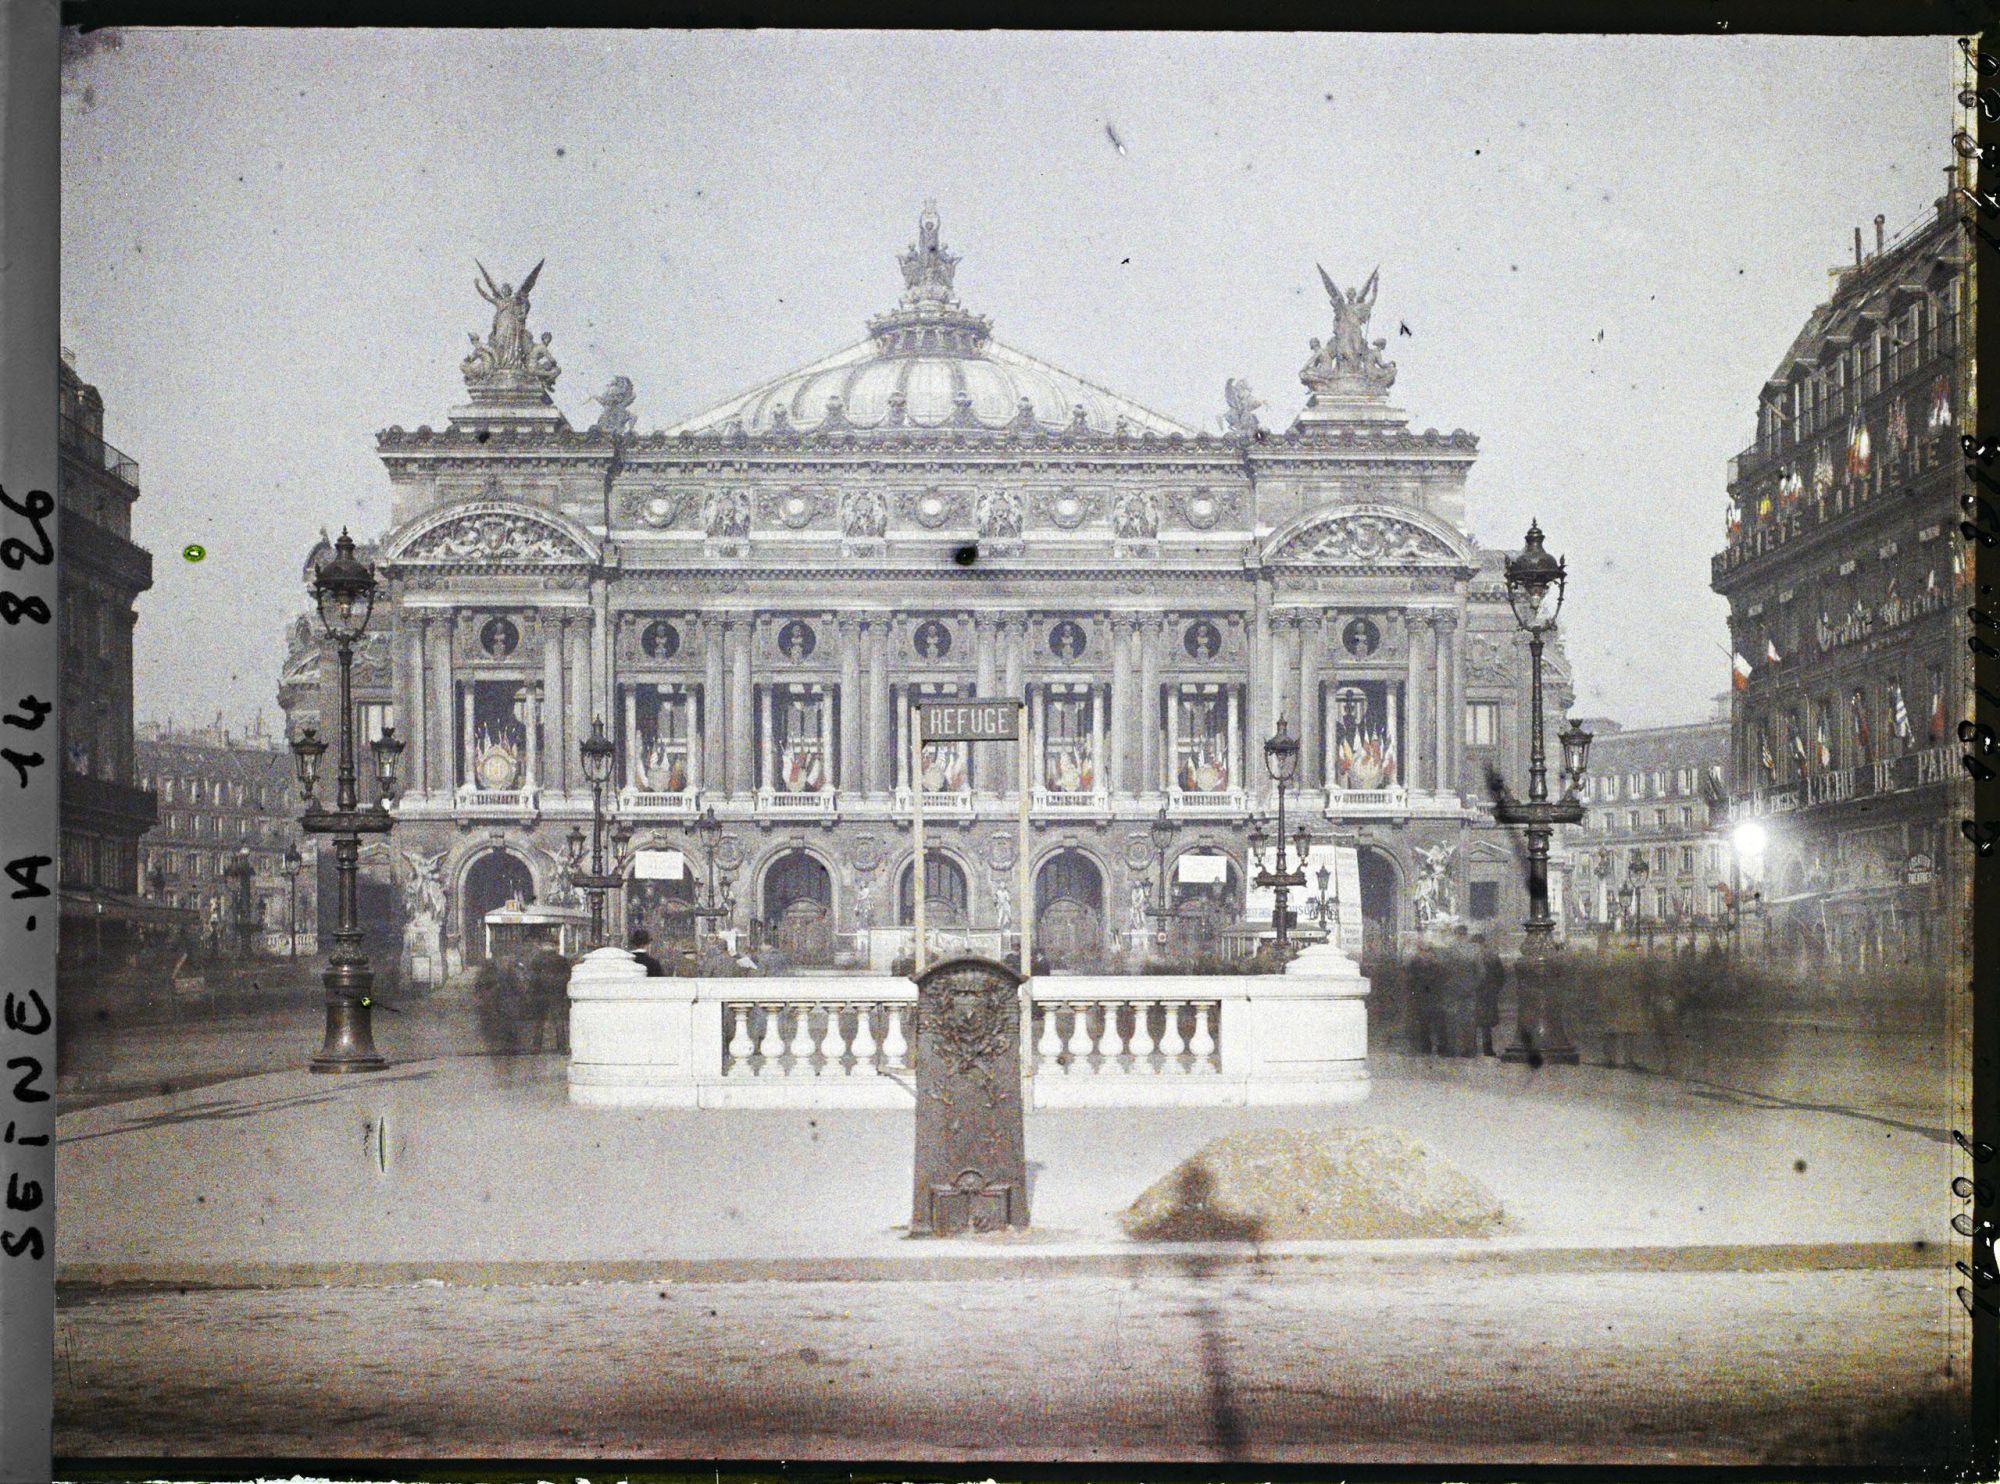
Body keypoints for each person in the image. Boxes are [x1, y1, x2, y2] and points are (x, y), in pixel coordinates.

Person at [1475, 933, 1506, 1056]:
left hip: (1476, 992)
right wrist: (1496, 989)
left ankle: (1472, 1048)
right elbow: (1501, 975)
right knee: (1486, 1024)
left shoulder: (1473, 956)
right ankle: (1487, 1049)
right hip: (1489, 993)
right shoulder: (1492, 956)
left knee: (1475, 1022)